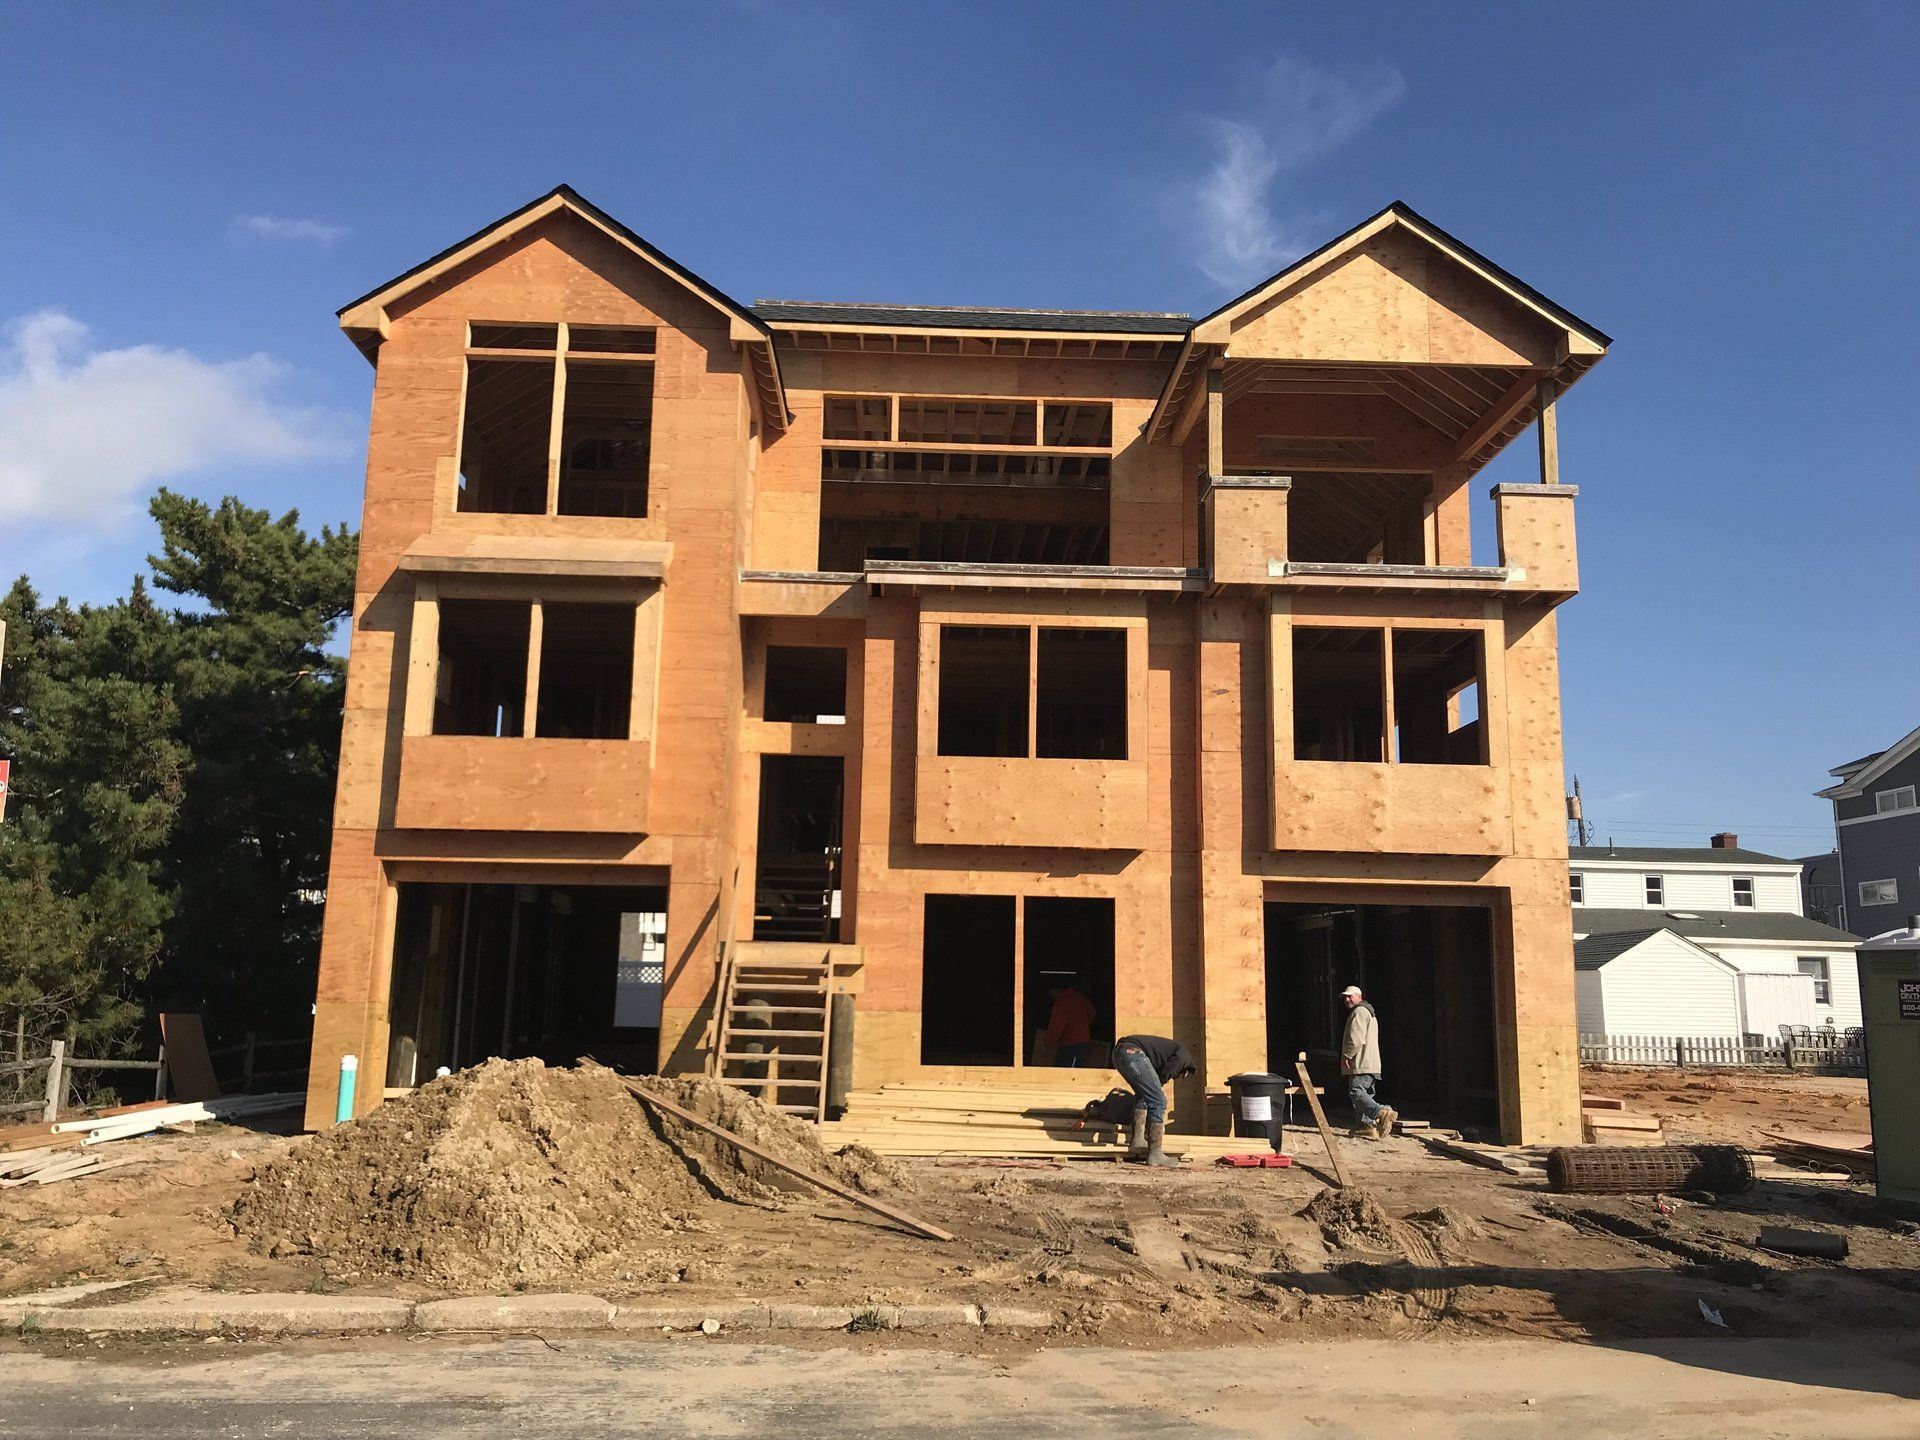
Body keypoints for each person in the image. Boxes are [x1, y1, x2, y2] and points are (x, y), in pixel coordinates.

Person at [1111, 1033, 1196, 1167]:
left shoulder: (1165, 1054)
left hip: (1119, 1053)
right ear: (1185, 1071)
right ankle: (1155, 1154)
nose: (1174, 1078)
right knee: (1158, 1101)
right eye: (1177, 1076)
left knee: (1143, 1095)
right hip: (1133, 1053)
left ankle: (1137, 1141)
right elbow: (1169, 1071)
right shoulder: (1184, 1057)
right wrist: (1159, 1089)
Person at [1339, 985, 1397, 1139]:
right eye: (1345, 997)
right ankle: (1366, 1126)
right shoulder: (1369, 1013)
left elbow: (1356, 1038)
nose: (1347, 999)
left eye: (1350, 996)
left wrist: (1347, 1056)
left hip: (1361, 1063)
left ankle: (1380, 1112)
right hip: (1372, 1063)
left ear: (1359, 996)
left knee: (1356, 1091)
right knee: (1365, 1094)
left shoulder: (1359, 1012)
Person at [1042, 985, 1097, 1067]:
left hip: (1069, 1045)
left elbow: (1055, 1027)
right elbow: (1092, 1013)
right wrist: (1082, 1026)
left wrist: (1047, 1045)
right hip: (1084, 1042)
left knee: (1063, 1074)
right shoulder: (1079, 997)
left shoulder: (1061, 1003)